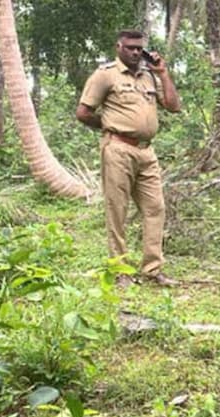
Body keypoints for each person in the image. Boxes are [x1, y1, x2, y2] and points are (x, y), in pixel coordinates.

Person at [76, 30, 181, 288]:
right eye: (130, 47)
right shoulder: (105, 75)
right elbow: (83, 112)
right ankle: (121, 271)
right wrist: (110, 126)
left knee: (156, 208)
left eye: (139, 48)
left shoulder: (148, 76)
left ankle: (152, 270)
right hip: (118, 150)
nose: (135, 52)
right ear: (119, 47)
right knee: (117, 210)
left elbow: (173, 106)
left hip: (147, 152)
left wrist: (163, 73)